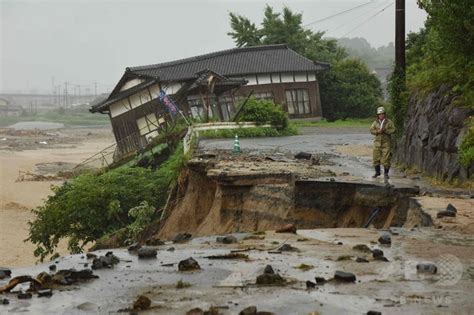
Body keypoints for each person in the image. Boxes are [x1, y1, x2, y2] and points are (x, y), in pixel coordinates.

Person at [370, 106, 395, 179]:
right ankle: (377, 172)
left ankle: (386, 173)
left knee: (386, 159)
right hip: (377, 143)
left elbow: (393, 130)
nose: (381, 115)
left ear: (385, 114)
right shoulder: (375, 122)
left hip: (386, 143)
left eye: (382, 114)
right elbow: (371, 130)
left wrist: (386, 131)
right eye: (379, 114)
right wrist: (377, 131)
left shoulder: (389, 122)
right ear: (377, 115)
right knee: (375, 158)